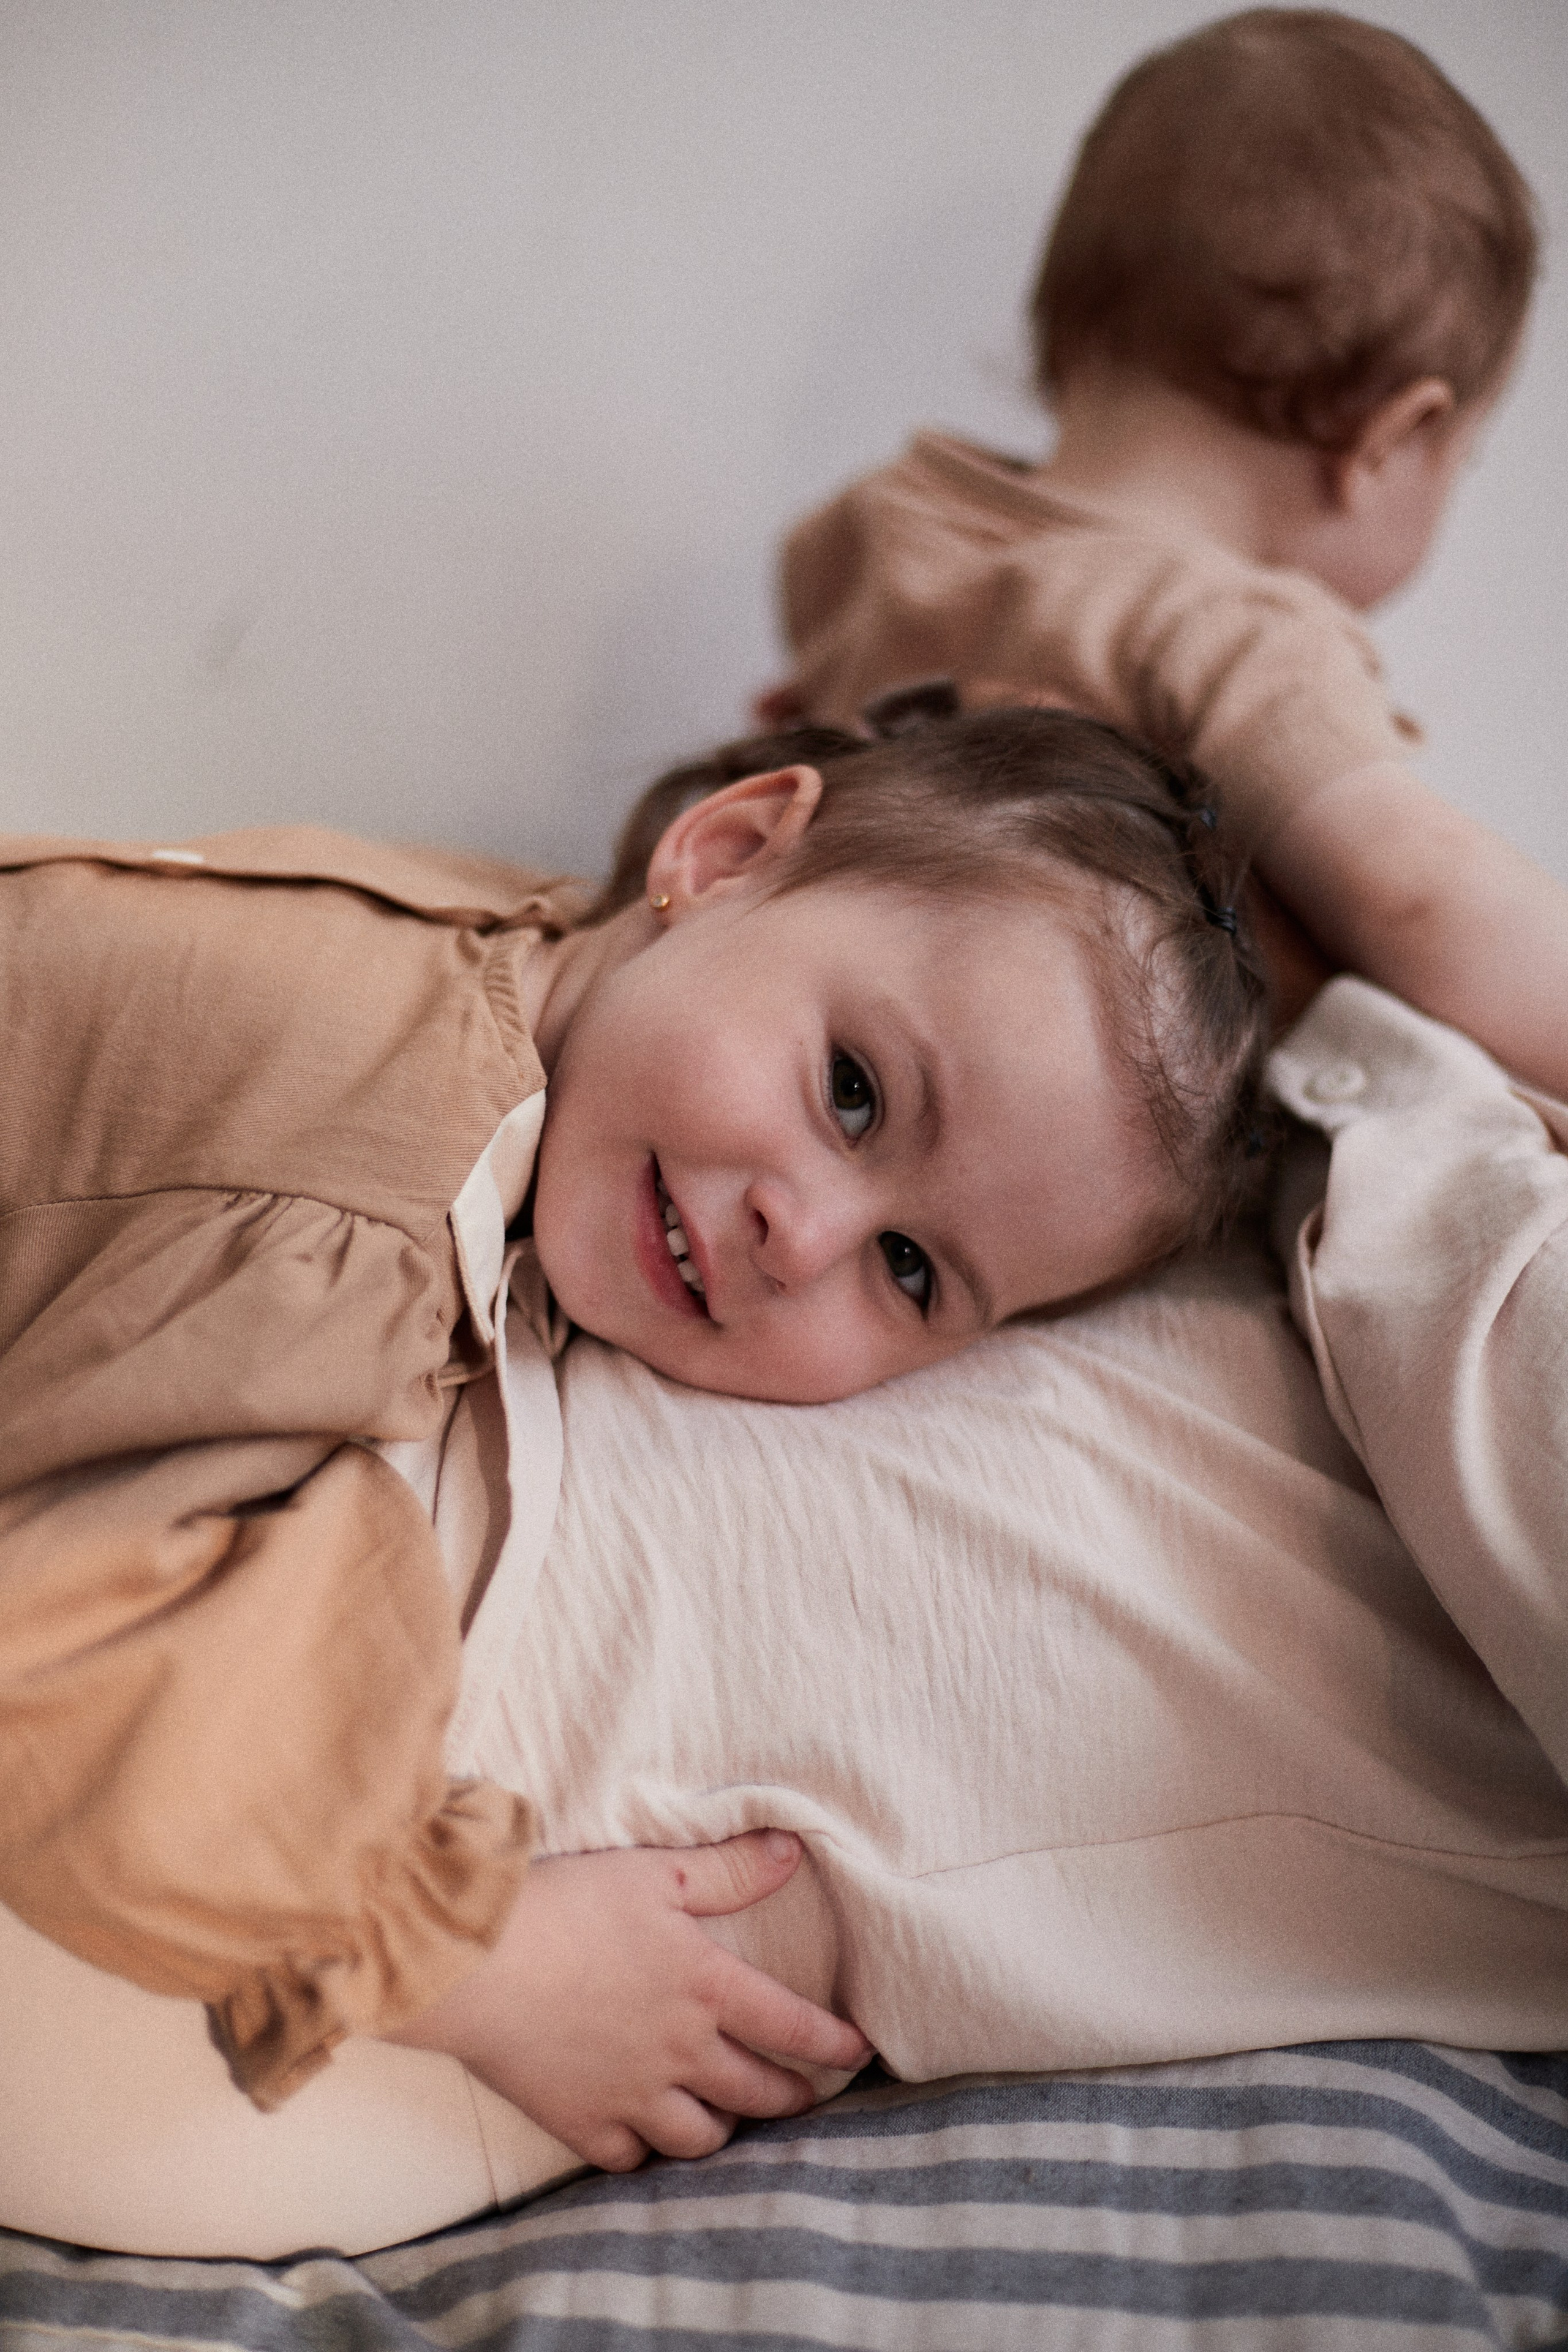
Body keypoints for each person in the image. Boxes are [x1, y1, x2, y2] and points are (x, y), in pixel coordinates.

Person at [0, 703, 1268, 2174]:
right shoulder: (376, 1193)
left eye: (910, 1272)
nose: (805, 1238)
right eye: (852, 1092)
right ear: (722, 854)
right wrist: (476, 1960)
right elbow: (65, 1643)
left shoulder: (507, 955)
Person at [761, 8, 1568, 1101]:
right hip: (1115, 1153)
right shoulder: (1226, 634)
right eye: (1458, 465)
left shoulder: (880, 529)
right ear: (1391, 438)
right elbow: (1419, 899)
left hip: (855, 1088)